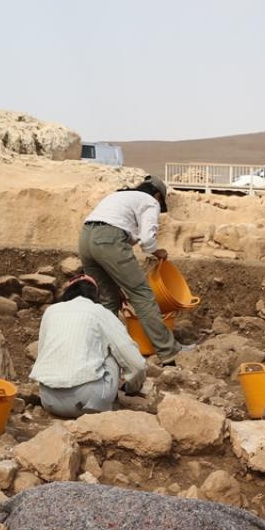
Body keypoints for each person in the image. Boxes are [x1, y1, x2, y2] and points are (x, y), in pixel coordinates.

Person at [80, 176, 186, 364]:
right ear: (157, 195)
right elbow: (146, 239)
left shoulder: (119, 196)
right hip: (109, 240)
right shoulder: (150, 201)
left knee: (107, 299)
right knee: (142, 295)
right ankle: (169, 353)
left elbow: (114, 235)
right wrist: (157, 252)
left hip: (85, 239)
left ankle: (100, 352)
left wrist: (119, 283)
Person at [29, 275, 147, 418]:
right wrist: (132, 387)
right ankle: (108, 402)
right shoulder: (100, 312)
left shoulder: (51, 311)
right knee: (113, 348)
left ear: (68, 292)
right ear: (95, 294)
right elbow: (136, 363)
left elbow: (42, 353)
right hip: (89, 403)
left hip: (49, 401)